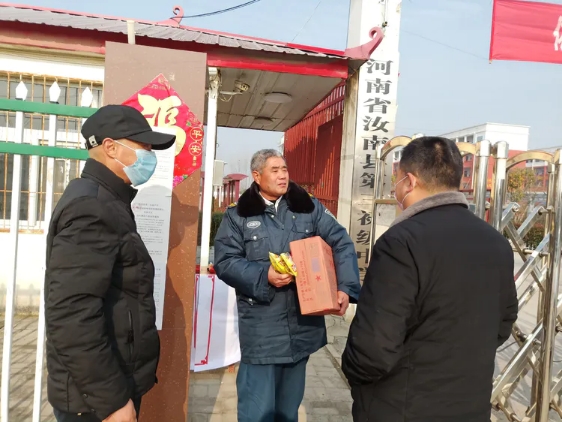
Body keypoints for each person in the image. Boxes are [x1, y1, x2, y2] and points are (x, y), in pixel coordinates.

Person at [342, 136, 518, 422]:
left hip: (403, 406)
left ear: (409, 181)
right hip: (470, 404)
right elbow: (504, 322)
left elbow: (373, 346)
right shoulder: (496, 242)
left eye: (397, 180)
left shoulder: (400, 242)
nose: (395, 188)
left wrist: (356, 378)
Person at [45, 105, 176, 422]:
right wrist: (112, 401)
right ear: (110, 147)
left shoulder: (109, 199)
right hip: (96, 401)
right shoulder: (92, 206)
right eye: (143, 146)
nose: (149, 155)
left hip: (106, 386)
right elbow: (72, 314)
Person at [214, 149, 361, 422]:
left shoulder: (307, 207)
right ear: (257, 176)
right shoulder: (238, 215)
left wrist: (346, 286)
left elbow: (341, 242)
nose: (283, 175)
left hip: (302, 325)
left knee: (287, 411)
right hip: (262, 329)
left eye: (284, 169)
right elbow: (225, 261)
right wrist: (264, 275)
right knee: (256, 412)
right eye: (275, 170)